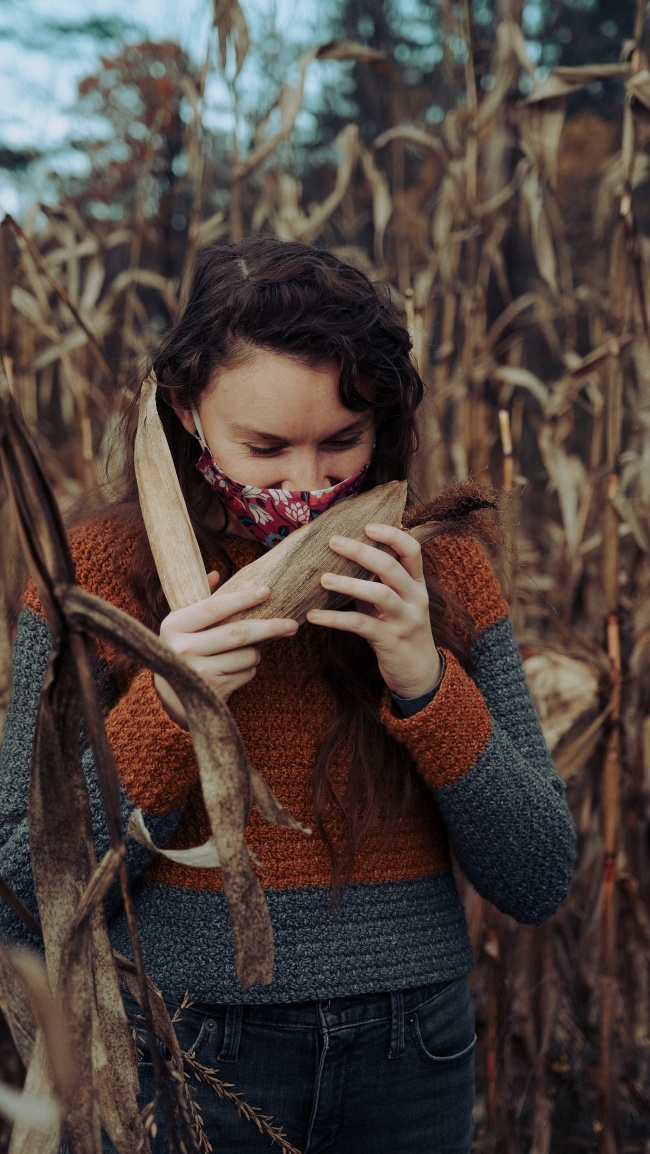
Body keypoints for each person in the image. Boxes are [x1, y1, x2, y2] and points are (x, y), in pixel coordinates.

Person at [0, 238, 576, 1153]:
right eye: (265, 447)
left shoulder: (444, 571)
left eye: (343, 442)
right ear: (186, 412)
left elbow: (538, 876)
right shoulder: (90, 578)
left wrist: (425, 682)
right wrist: (171, 709)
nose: (307, 485)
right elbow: (19, 902)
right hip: (187, 1049)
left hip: (411, 1055)